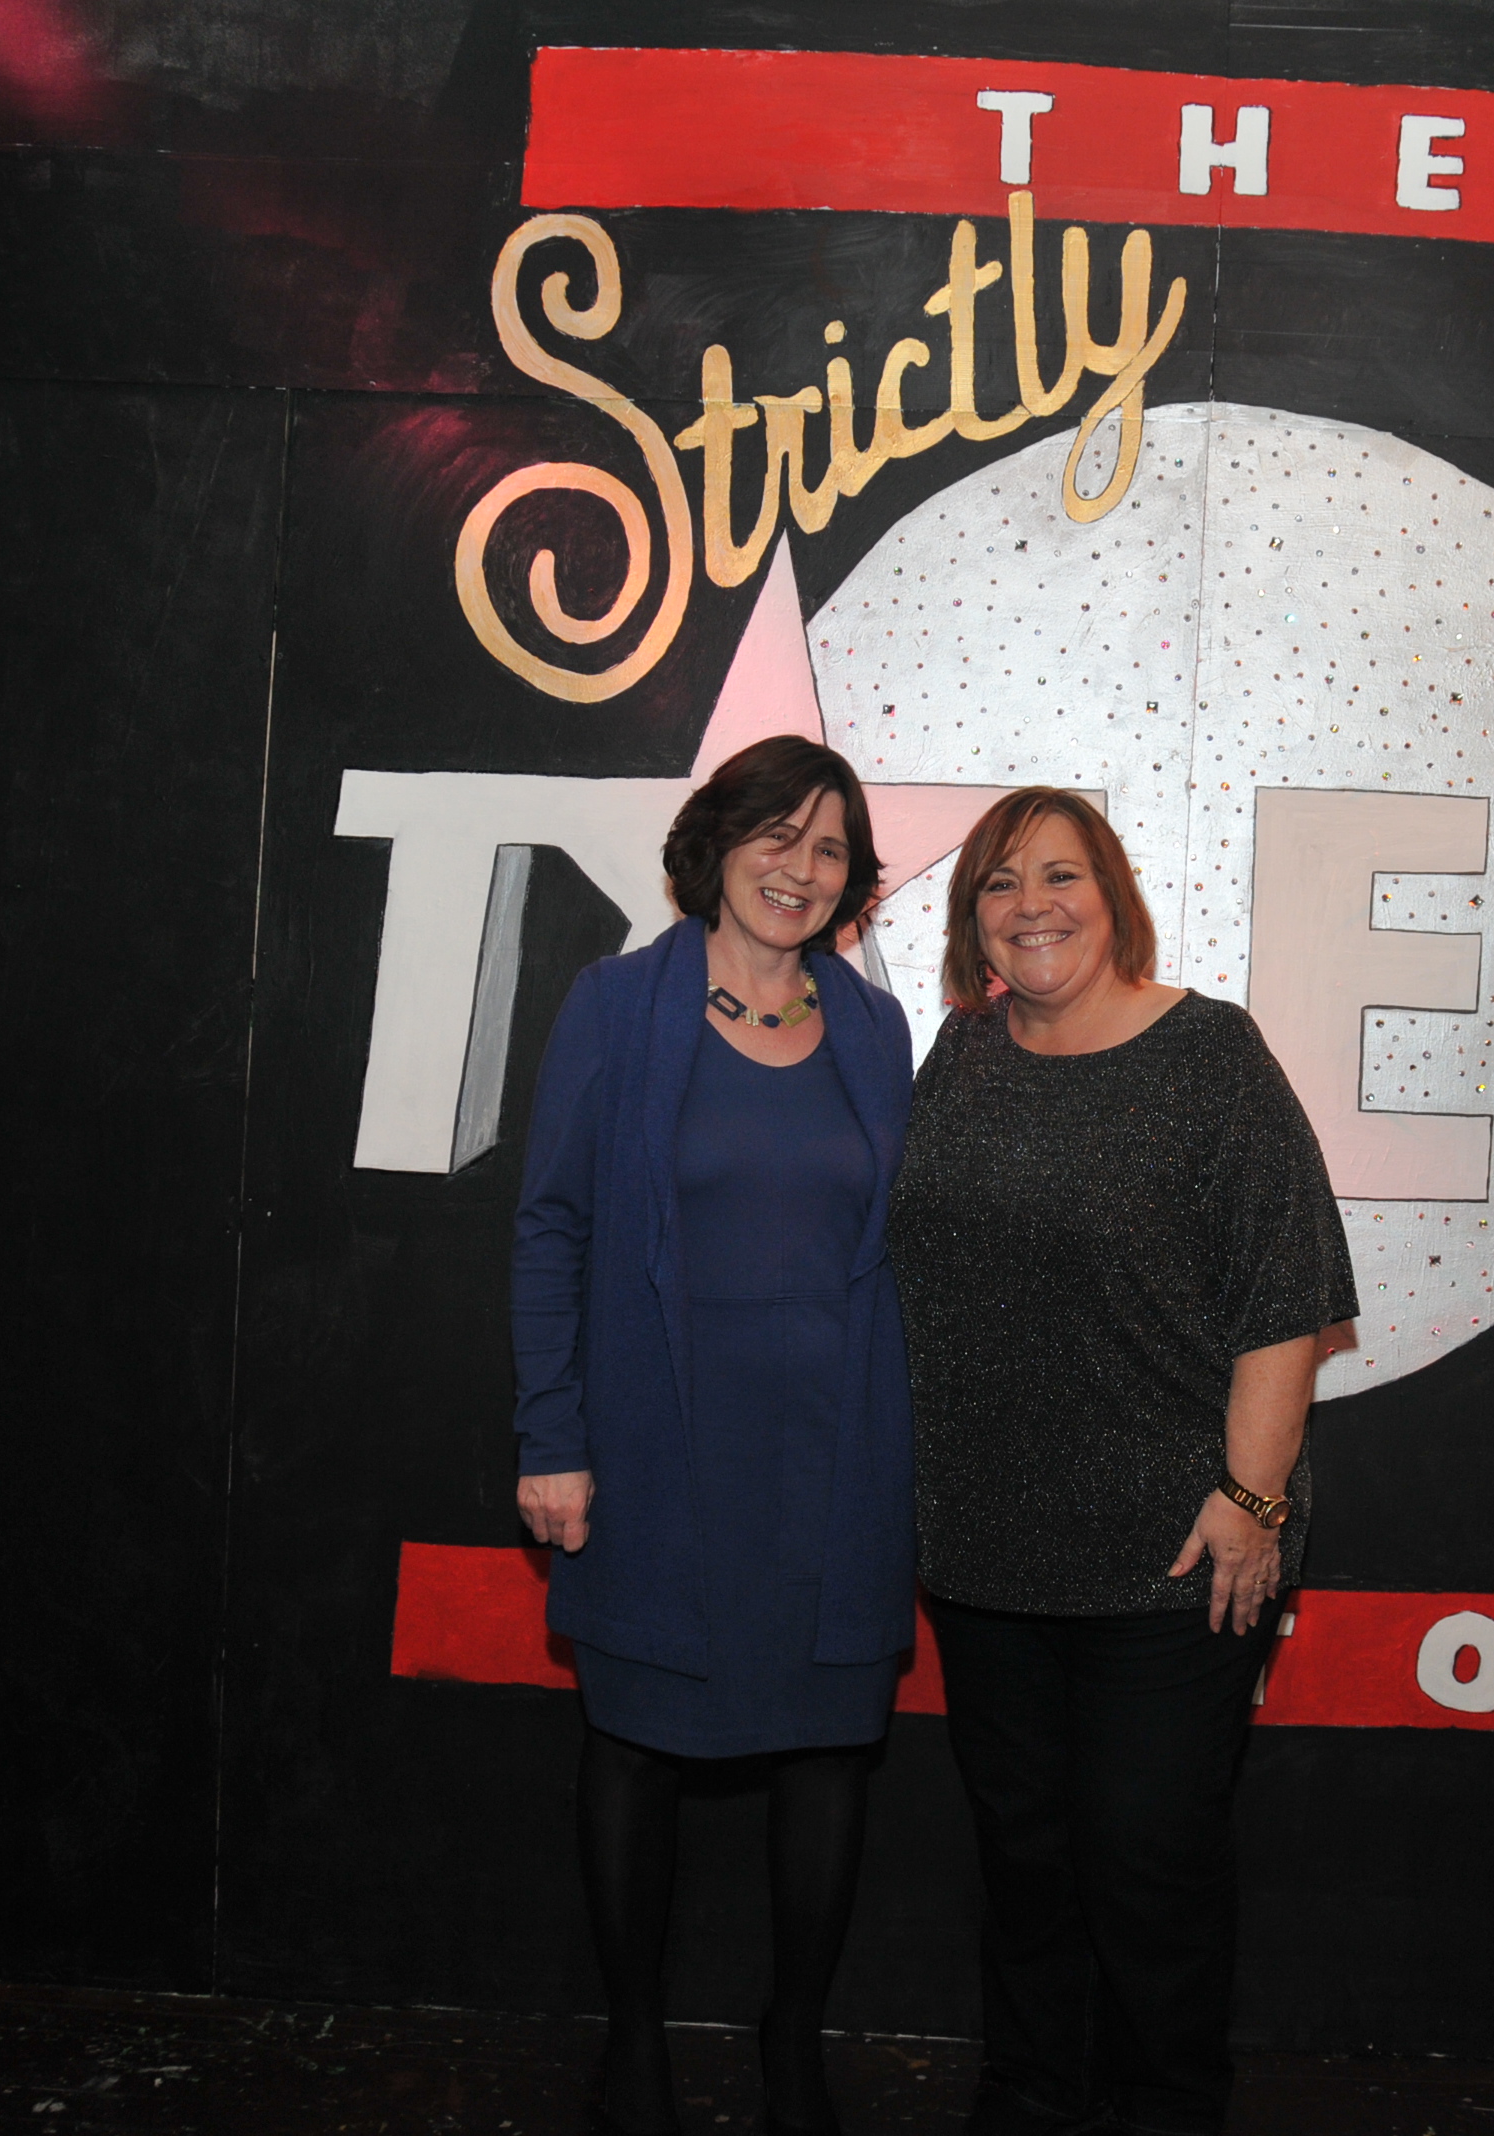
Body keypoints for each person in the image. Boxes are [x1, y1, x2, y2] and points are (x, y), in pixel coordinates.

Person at [886, 789, 1357, 2136]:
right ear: (971, 917)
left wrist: (1253, 1503)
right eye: (1000, 883)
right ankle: (1033, 2093)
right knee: (1024, 1858)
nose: (1031, 905)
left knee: (1150, 1863)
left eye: (1062, 876)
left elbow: (1284, 1300)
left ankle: (1164, 2108)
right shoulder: (960, 1058)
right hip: (985, 1546)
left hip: (1175, 1553)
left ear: (1114, 898)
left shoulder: (1210, 1054)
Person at [511, 735, 918, 2136]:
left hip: (838, 1455)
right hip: (656, 1446)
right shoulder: (616, 1007)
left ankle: (791, 2039)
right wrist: (551, 1435)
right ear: (718, 841)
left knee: (829, 1752)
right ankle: (633, 2041)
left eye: (829, 848)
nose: (800, 868)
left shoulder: (875, 1029)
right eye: (777, 834)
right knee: (633, 1746)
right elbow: (552, 1227)